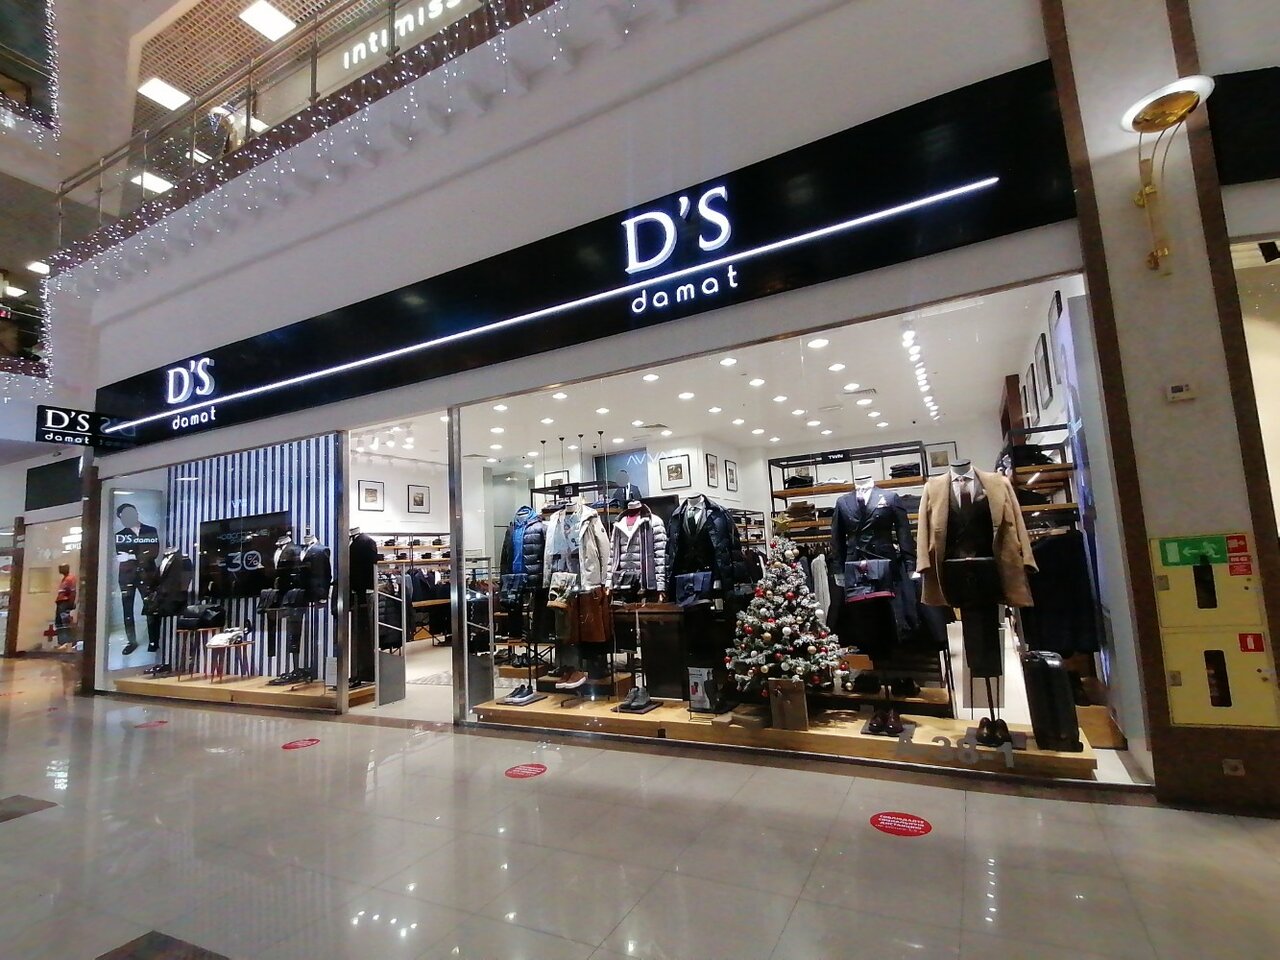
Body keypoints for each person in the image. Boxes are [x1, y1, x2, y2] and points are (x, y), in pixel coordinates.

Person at [115, 502, 160, 655]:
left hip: (147, 575)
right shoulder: (120, 535)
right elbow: (121, 556)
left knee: (151, 608)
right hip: (127, 576)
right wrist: (141, 555)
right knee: (127, 611)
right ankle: (131, 641)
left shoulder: (150, 530)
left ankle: (153, 641)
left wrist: (132, 556)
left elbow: (153, 552)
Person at [54, 564, 76, 646]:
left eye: (61, 567)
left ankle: (66, 642)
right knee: (59, 622)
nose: (60, 569)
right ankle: (62, 642)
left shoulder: (70, 579)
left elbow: (72, 591)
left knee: (64, 623)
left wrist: (70, 603)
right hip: (61, 603)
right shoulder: (65, 578)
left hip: (64, 603)